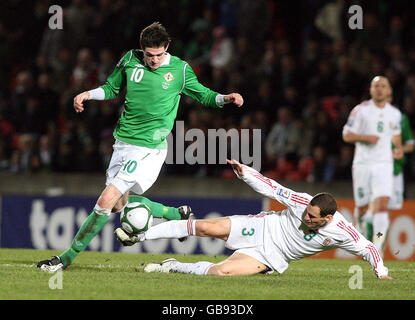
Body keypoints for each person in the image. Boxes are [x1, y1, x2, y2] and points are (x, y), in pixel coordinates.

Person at [37, 22, 243, 272]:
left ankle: (65, 258)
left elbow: (204, 95)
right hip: (122, 143)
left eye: (158, 54)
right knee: (117, 206)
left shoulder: (180, 69)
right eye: (149, 55)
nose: (154, 60)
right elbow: (111, 88)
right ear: (141, 49)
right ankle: (176, 215)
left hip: (148, 148)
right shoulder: (129, 60)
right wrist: (87, 95)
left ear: (166, 47)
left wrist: (226, 98)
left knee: (105, 200)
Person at [116, 159, 392, 279]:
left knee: (219, 273)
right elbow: (272, 187)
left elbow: (368, 248)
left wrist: (382, 274)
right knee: (205, 227)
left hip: (272, 255)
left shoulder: (343, 231)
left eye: (313, 216)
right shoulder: (301, 202)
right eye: (307, 211)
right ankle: (141, 235)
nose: (306, 216)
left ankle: (173, 267)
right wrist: (245, 172)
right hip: (262, 226)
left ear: (328, 218)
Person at [342, 76, 403, 256]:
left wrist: (398, 149)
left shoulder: (395, 113)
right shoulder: (361, 110)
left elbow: (396, 136)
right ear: (370, 89)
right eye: (376, 86)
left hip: (384, 163)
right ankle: (361, 232)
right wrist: (366, 138)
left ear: (389, 91)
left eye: (383, 86)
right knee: (362, 208)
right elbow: (347, 135)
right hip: (363, 164)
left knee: (382, 204)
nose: (379, 89)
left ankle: (377, 247)